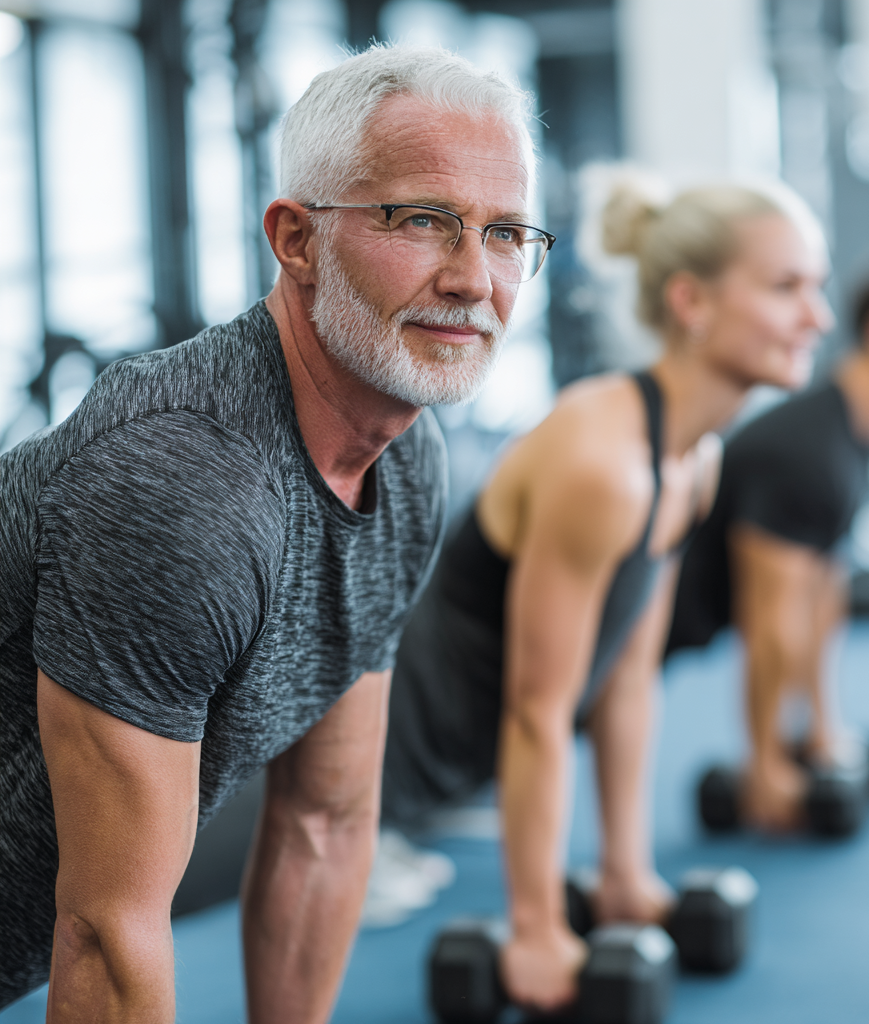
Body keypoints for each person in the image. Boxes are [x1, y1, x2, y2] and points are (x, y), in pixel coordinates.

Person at [0, 44, 552, 1020]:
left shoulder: (406, 459)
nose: (475, 277)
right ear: (297, 238)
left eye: (506, 232)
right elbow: (106, 931)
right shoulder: (183, 485)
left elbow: (326, 823)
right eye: (421, 219)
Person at [380, 179, 832, 1010]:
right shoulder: (603, 461)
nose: (819, 316)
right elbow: (537, 713)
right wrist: (536, 925)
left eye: (816, 287)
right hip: (384, 764)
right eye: (787, 288)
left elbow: (626, 675)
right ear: (690, 301)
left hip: (460, 767)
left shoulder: (692, 459)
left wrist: (625, 875)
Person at [665, 261, 869, 831]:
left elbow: (823, 593)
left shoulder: (854, 432)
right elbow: (769, 621)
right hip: (627, 638)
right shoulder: (811, 450)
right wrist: (766, 766)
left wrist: (825, 733)